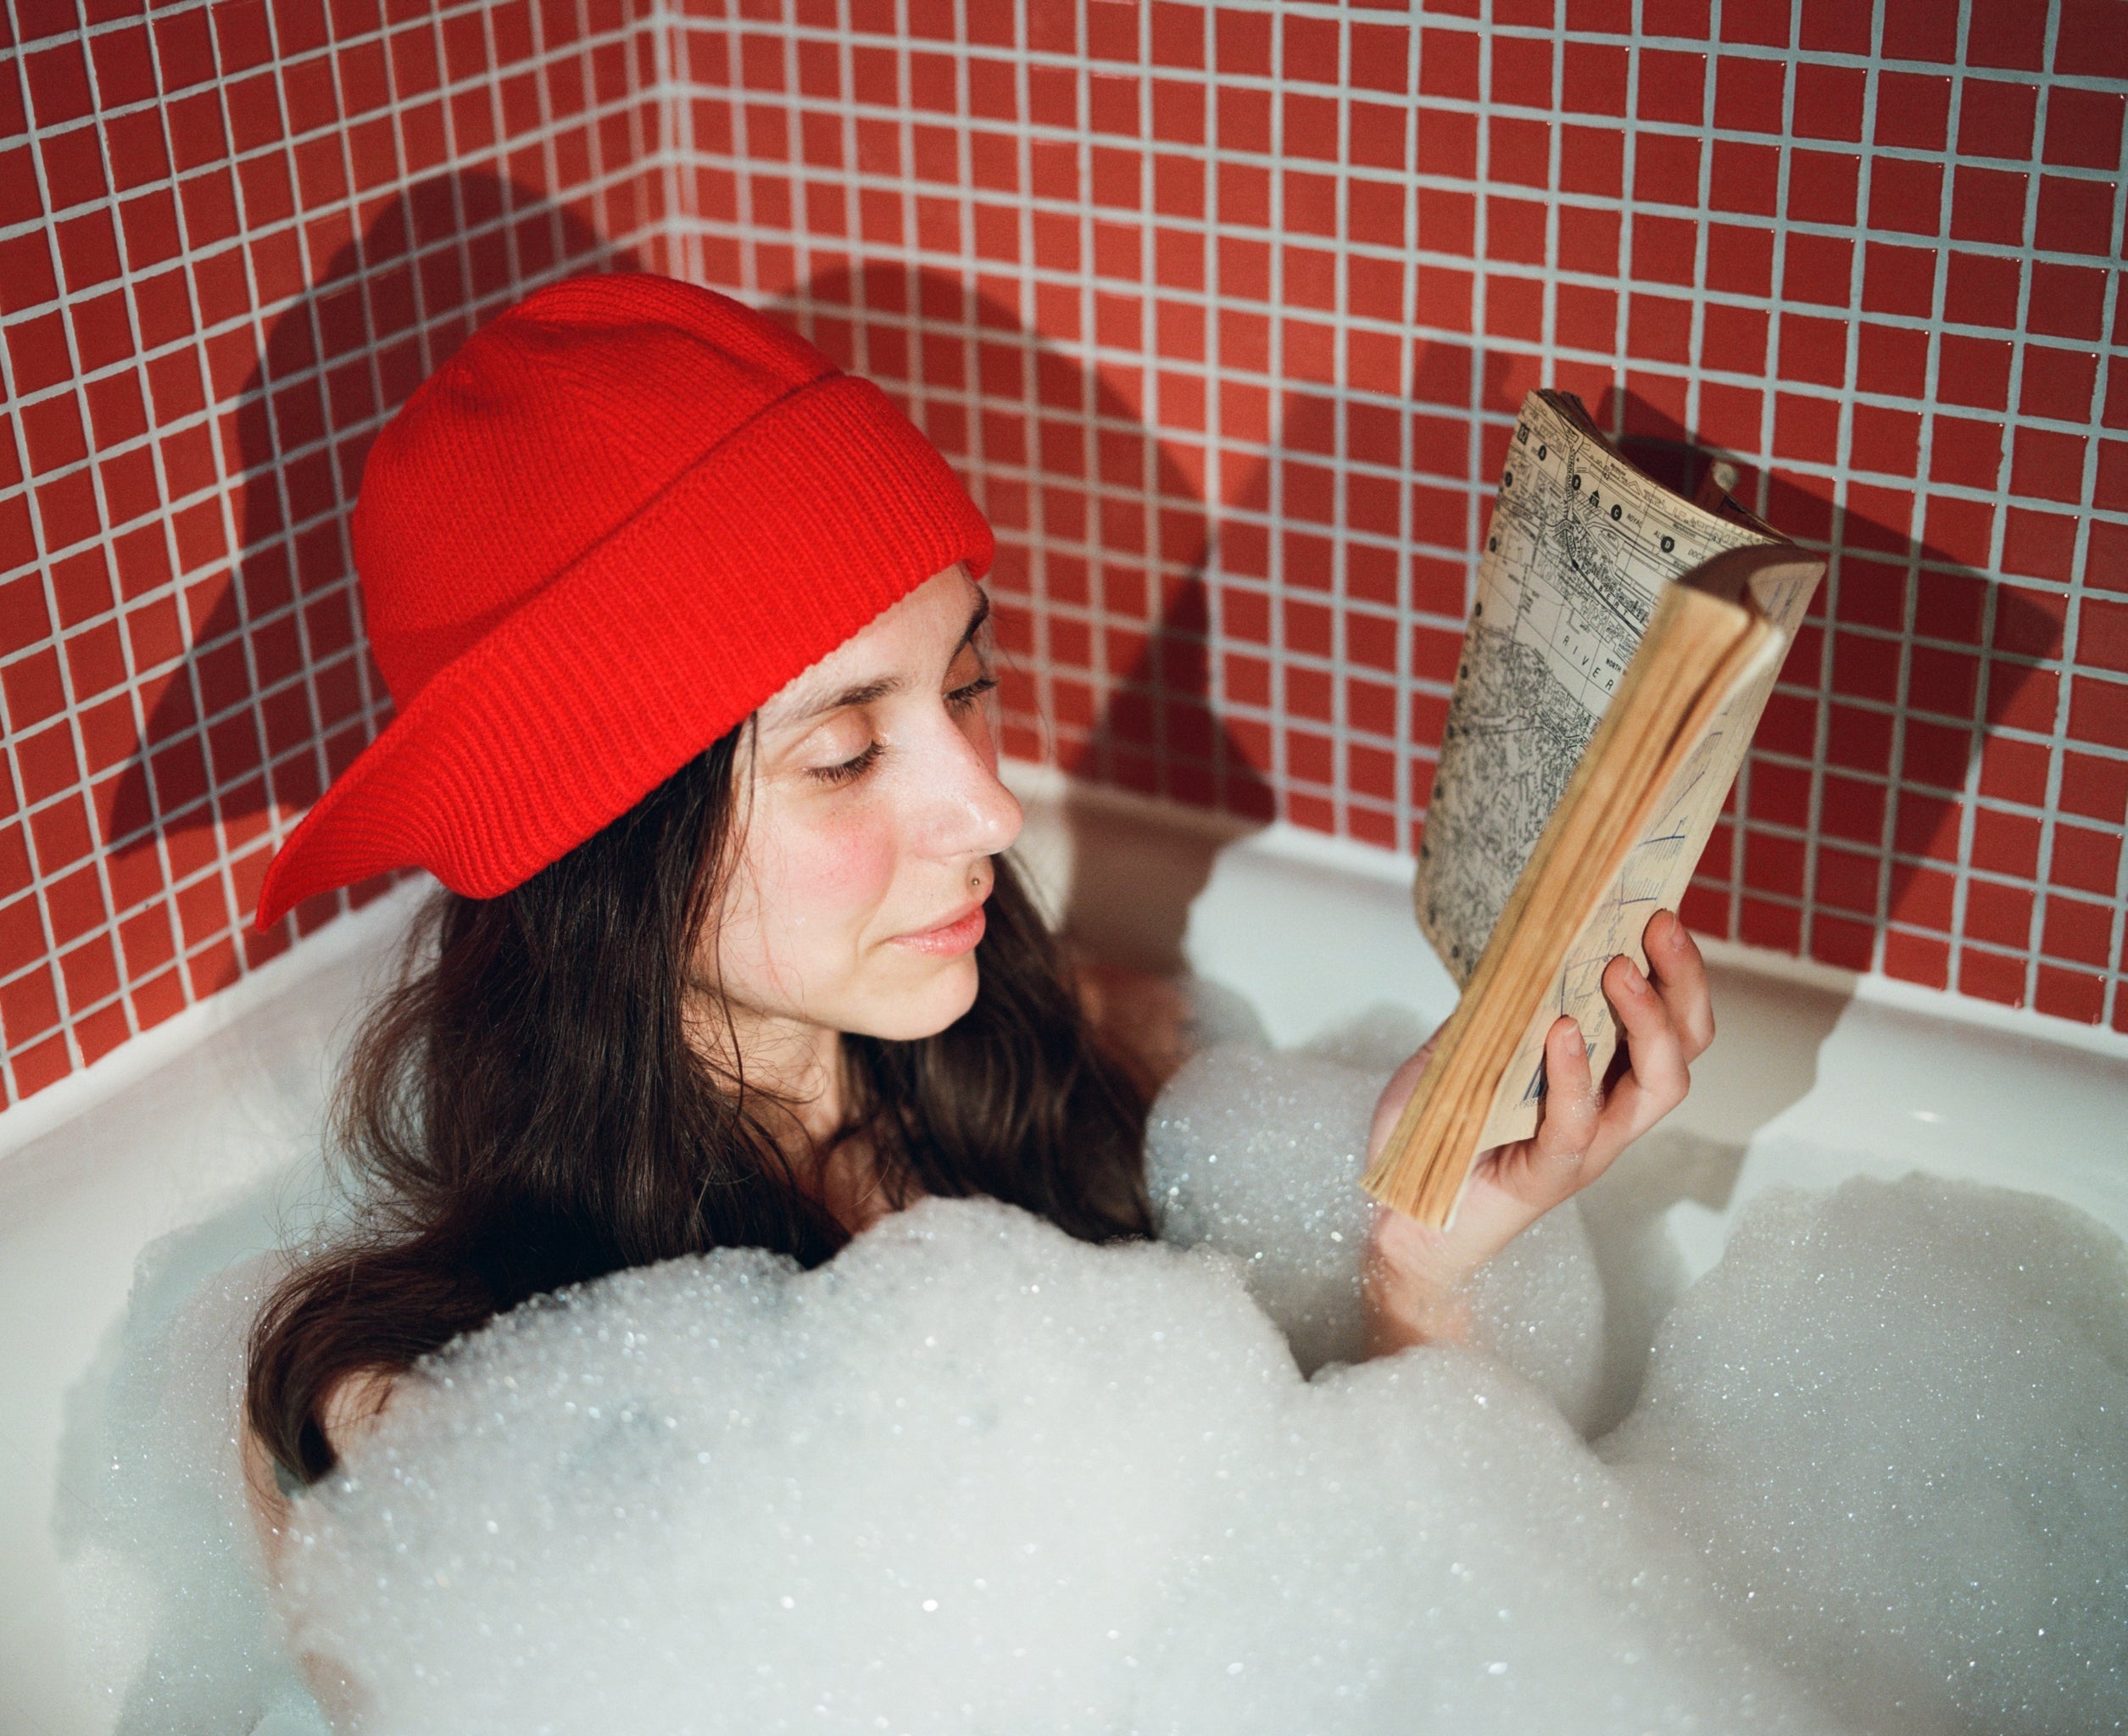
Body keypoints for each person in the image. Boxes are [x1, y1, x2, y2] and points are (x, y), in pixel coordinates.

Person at [242, 272, 1712, 1522]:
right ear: (601, 841)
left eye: (969, 685)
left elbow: (1325, 1606)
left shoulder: (1049, 1058)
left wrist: (1421, 1268)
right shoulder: (431, 1432)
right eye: (843, 752)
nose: (992, 808)